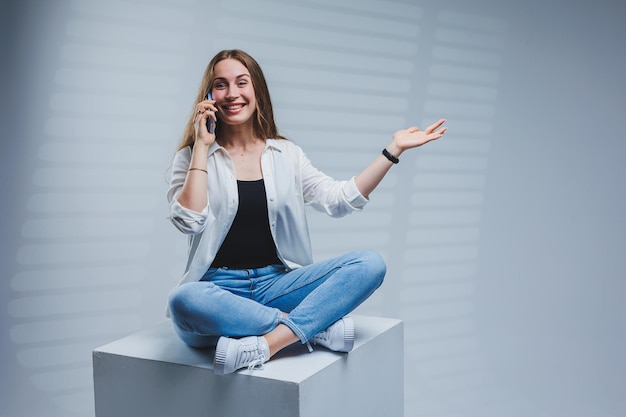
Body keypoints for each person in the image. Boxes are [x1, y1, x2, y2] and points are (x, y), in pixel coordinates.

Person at [166, 49, 447, 375]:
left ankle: (268, 344)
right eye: (221, 84)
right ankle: (311, 327)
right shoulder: (192, 157)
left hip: (278, 287)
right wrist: (202, 145)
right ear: (209, 95)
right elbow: (188, 221)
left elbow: (339, 199)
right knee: (183, 300)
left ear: (256, 89)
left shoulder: (286, 154)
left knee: (370, 264)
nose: (232, 93)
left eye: (241, 82)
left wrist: (392, 150)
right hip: (218, 295)